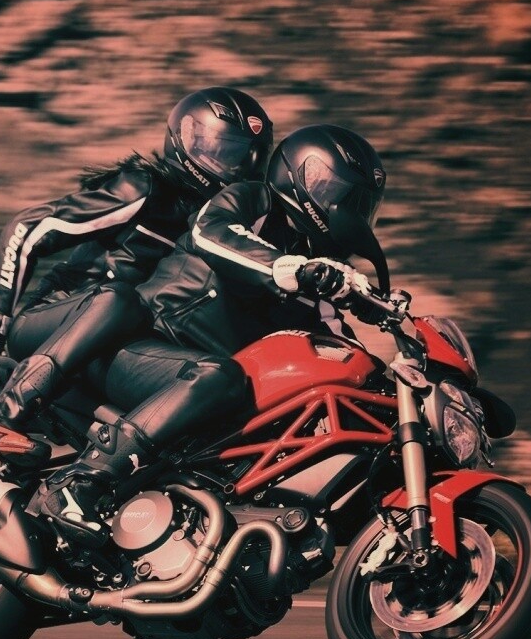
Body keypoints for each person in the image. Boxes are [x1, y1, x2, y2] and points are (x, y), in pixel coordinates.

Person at [31, 124, 390, 544]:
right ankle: (79, 483)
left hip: (194, 386)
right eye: (337, 193)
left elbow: (340, 350)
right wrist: (288, 268)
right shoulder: (251, 202)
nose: (344, 209)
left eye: (359, 204)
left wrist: (392, 391)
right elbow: (213, 235)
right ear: (302, 177)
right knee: (218, 375)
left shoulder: (317, 274)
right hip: (139, 346)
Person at [0, 87, 275, 464]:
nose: (231, 167)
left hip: (110, 347)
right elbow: (28, 228)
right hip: (54, 323)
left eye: (241, 156)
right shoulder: (146, 189)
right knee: (121, 298)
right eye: (219, 150)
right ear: (185, 137)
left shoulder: (227, 225)